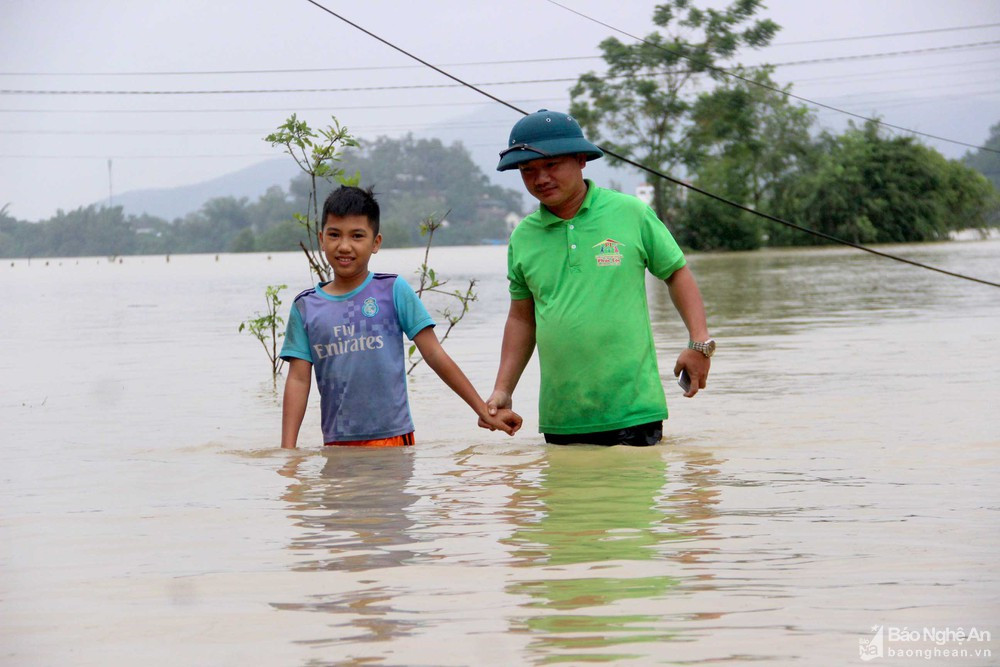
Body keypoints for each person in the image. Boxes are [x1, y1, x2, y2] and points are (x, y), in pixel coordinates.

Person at [480, 109, 714, 446]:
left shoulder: (630, 213)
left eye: (551, 165)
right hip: (562, 418)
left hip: (634, 411)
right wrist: (503, 389)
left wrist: (699, 345)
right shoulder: (524, 237)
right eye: (528, 170)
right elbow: (521, 319)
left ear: (580, 160)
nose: (540, 178)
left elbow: (676, 274)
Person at [280, 185, 522, 449]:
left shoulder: (392, 290)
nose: (345, 246)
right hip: (337, 444)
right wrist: (287, 452)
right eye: (335, 235)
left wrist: (481, 409)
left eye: (357, 236)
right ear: (321, 239)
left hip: (393, 438)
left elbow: (435, 355)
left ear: (376, 243)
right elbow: (298, 379)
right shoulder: (306, 306)